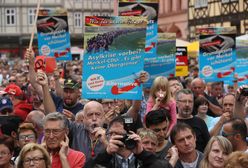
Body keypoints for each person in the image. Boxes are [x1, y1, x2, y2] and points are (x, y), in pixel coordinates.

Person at [86, 115, 173, 168]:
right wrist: (106, 154)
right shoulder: (105, 158)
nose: (113, 137)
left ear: (131, 135)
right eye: (110, 133)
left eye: (118, 133)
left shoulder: (144, 158)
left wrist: (142, 154)